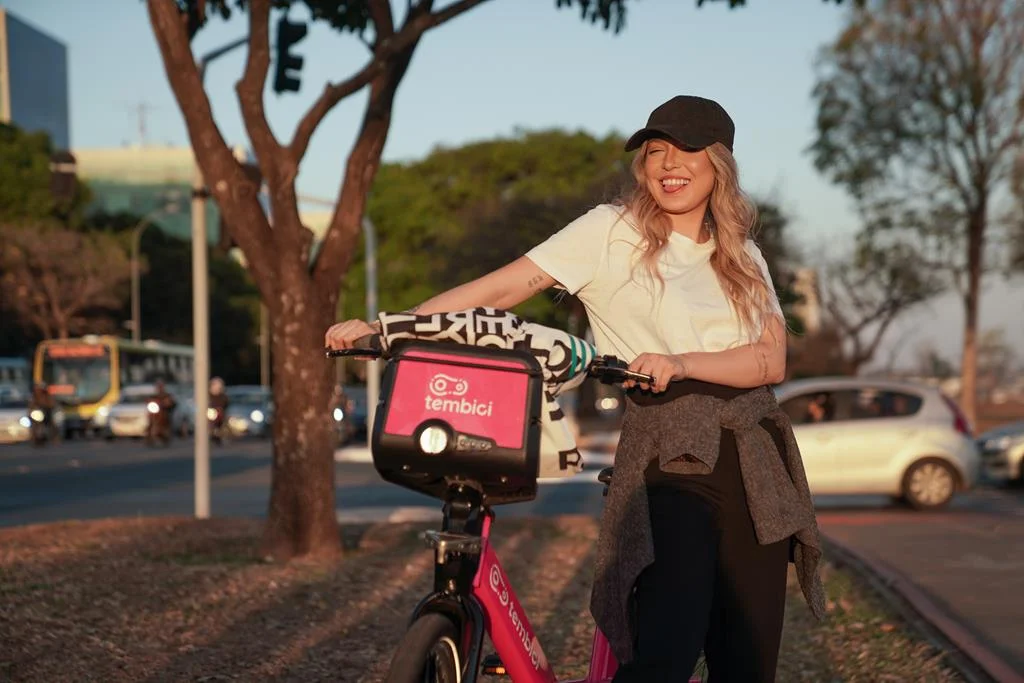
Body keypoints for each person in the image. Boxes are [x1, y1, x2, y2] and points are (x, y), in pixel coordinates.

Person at [325, 95, 825, 682]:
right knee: (664, 647)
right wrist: (392, 330)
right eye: (656, 151)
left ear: (718, 163)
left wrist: (680, 361)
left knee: (748, 658)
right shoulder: (611, 231)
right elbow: (503, 290)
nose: (668, 164)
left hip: (754, 455)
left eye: (686, 150)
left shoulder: (745, 257)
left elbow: (769, 361)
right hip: (670, 450)